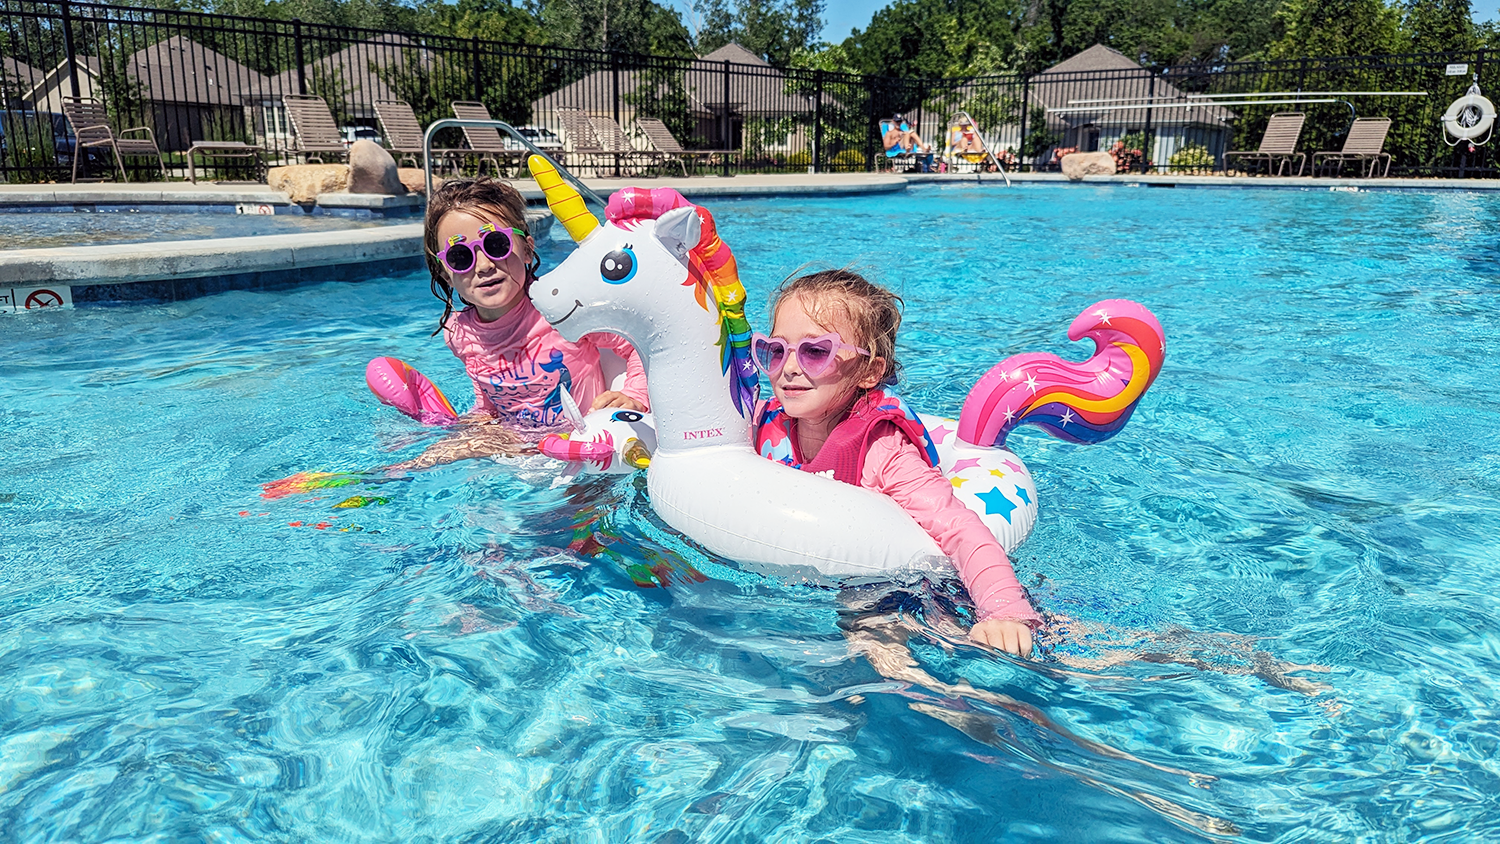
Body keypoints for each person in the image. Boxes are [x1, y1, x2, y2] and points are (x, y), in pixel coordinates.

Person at [750, 269, 1040, 657]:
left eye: (815, 351)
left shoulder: (882, 449)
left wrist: (1004, 611)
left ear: (870, 371)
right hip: (815, 579)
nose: (788, 367)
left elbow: (958, 527)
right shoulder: (764, 422)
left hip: (902, 587)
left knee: (874, 641)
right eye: (775, 350)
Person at [403, 177, 649, 469]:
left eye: (496, 244)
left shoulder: (562, 310)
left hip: (583, 448)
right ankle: (372, 481)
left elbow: (639, 344)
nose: (483, 266)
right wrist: (476, 422)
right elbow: (489, 400)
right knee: (426, 458)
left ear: (527, 250)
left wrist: (634, 396)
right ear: (446, 274)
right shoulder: (459, 333)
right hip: (517, 447)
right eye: (460, 257)